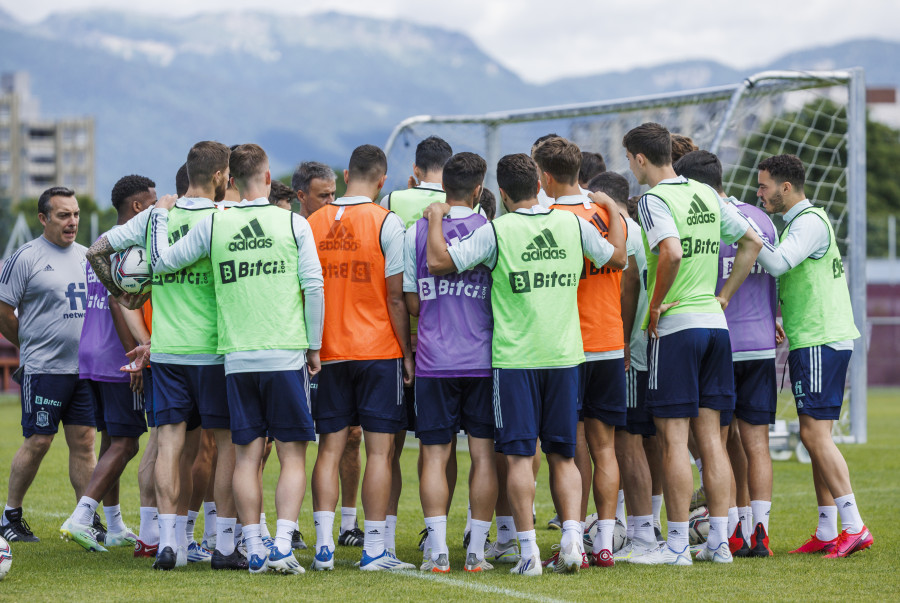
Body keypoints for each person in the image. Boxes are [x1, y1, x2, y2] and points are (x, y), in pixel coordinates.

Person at [425, 153, 626, 576]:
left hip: (515, 360)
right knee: (564, 455)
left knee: (519, 456)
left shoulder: (498, 230)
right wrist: (613, 210)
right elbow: (619, 258)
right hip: (566, 355)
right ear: (539, 184)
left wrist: (436, 218)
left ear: (500, 191)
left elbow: (439, 262)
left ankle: (530, 553)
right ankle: (573, 541)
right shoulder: (572, 224)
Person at [149, 143, 324, 575]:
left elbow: (163, 262)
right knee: (291, 455)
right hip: (284, 353)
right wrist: (315, 346)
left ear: (231, 181)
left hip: (236, 358)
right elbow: (315, 288)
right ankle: (282, 542)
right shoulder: (293, 223)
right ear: (267, 178)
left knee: (246, 457)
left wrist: (158, 217)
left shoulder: (215, 223)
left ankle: (253, 546)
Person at [88, 141, 243, 571]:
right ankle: (225, 546)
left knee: (170, 446)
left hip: (169, 350)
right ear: (218, 177)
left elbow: (97, 250)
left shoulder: (158, 216)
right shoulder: (223, 219)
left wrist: (126, 296)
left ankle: (171, 544)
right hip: (214, 350)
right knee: (226, 446)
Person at [622, 123, 763, 566]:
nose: (631, 168)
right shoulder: (705, 193)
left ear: (640, 159)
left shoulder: (652, 199)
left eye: (630, 160)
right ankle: (720, 543)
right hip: (715, 327)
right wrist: (724, 296)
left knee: (672, 440)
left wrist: (657, 304)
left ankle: (679, 545)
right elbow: (752, 241)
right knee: (713, 442)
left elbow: (671, 251)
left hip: (678, 328)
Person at [754, 154, 872, 558]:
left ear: (786, 188)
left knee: (814, 436)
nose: (759, 193)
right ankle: (827, 530)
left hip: (822, 340)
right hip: (812, 339)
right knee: (813, 433)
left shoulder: (808, 222)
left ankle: (854, 526)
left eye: (764, 186)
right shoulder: (802, 223)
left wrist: (741, 226)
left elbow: (777, 262)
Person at [307, 144, 415, 572]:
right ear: (382, 180)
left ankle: (322, 549)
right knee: (380, 452)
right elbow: (395, 298)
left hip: (328, 352)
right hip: (378, 351)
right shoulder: (388, 222)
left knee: (328, 451)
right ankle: (373, 549)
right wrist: (407, 353)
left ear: (346, 173)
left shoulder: (311, 223)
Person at [674, 150, 780, 557]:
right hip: (760, 347)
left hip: (718, 343)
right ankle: (760, 533)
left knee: (715, 442)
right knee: (756, 444)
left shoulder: (699, 219)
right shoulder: (761, 217)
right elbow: (772, 274)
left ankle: (730, 530)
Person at [535, 138, 627, 569]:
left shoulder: (549, 218)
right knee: (605, 447)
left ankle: (574, 537)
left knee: (570, 451)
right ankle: (605, 541)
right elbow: (622, 263)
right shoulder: (607, 214)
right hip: (609, 342)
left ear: (546, 176)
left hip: (567, 346)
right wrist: (615, 209)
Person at [404, 152, 497, 573]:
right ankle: (475, 551)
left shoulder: (416, 231)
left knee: (435, 455)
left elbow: (410, 300)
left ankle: (438, 550)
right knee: (483, 455)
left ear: (444, 187)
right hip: (481, 358)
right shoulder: (491, 230)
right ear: (479, 189)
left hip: (433, 359)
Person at [60, 175, 156, 552]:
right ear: (137, 207)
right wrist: (135, 356)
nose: (156, 212)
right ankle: (81, 516)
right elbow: (120, 303)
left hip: (91, 353)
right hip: (118, 355)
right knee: (128, 443)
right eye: (151, 204)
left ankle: (114, 525)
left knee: (111, 440)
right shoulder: (131, 246)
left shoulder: (104, 244)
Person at [0, 187, 96, 543]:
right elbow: (3, 311)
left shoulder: (88, 256)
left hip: (82, 370)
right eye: (63, 215)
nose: (72, 222)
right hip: (43, 369)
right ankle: (10, 515)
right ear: (43, 218)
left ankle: (84, 518)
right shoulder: (25, 257)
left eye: (75, 215)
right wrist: (28, 344)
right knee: (39, 441)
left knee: (85, 443)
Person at [587, 171, 662, 562]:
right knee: (645, 441)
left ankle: (642, 532)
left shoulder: (622, 231)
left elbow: (628, 287)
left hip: (628, 353)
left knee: (627, 443)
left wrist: (621, 346)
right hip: (645, 349)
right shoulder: (642, 229)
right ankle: (643, 526)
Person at [291, 159, 363, 548]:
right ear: (302, 196)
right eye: (324, 195)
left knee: (351, 437)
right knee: (290, 440)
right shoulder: (293, 231)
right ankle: (292, 524)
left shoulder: (345, 226)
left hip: (342, 349)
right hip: (302, 352)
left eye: (335, 193)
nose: (333, 201)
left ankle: (349, 524)